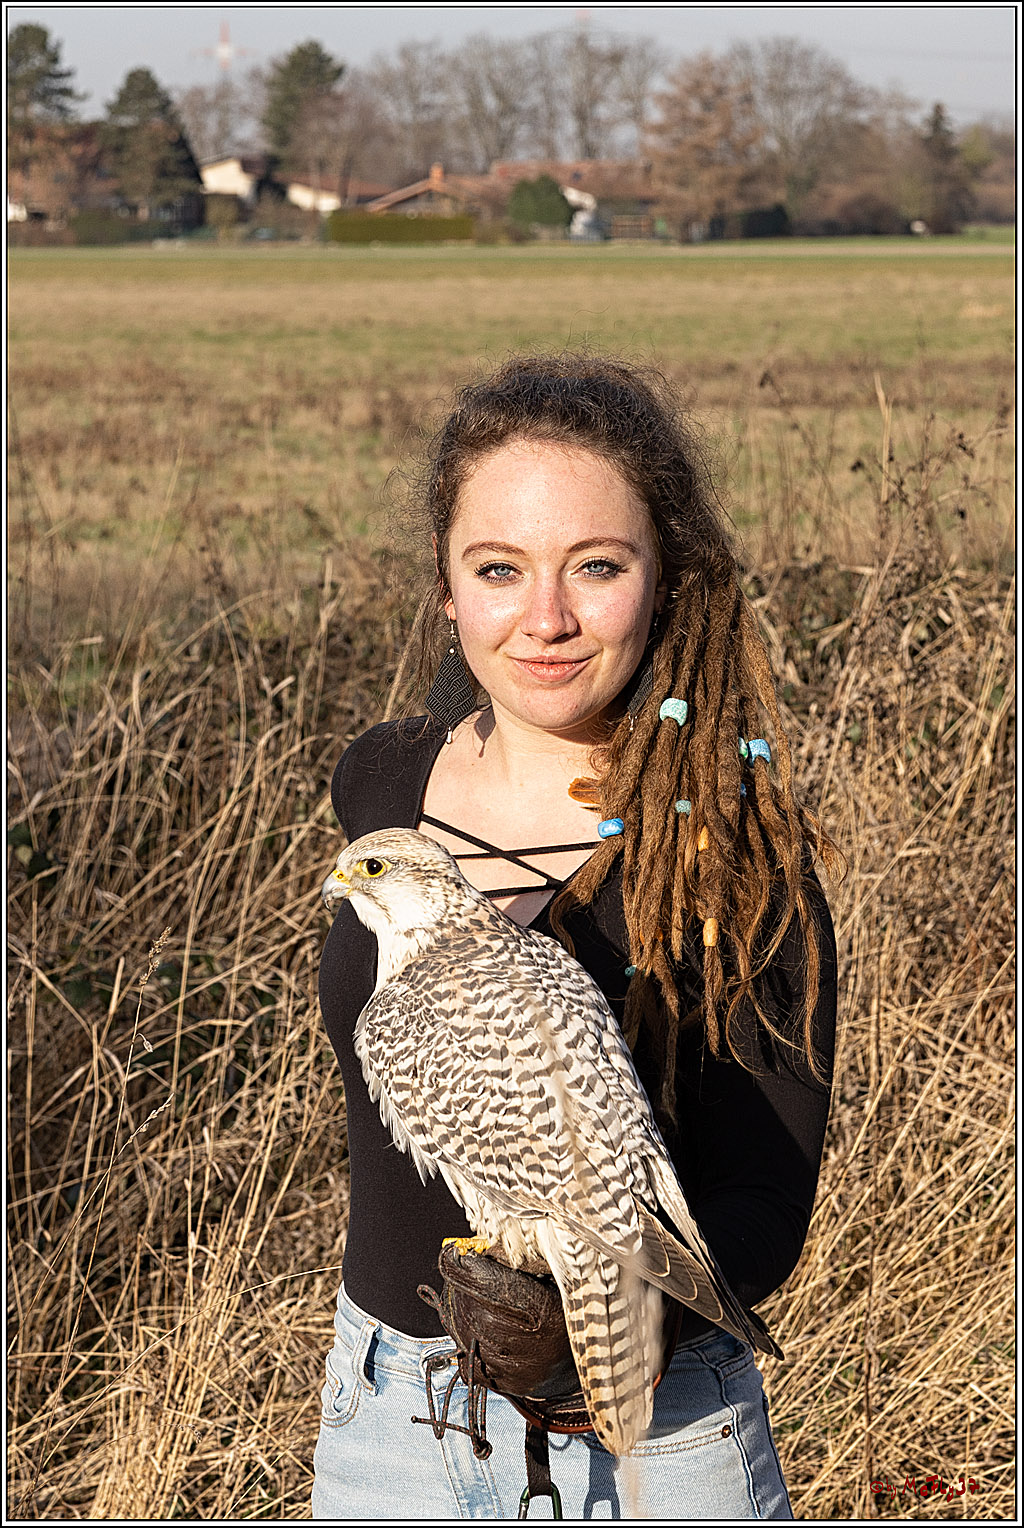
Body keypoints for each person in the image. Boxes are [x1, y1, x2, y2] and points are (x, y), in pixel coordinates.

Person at [313, 354, 840, 1520]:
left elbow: (761, 1203)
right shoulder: (383, 783)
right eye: (498, 569)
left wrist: (572, 1299)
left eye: (595, 566)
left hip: (653, 1423)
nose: (544, 618)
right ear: (448, 593)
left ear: (663, 581)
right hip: (393, 1413)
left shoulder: (731, 856)